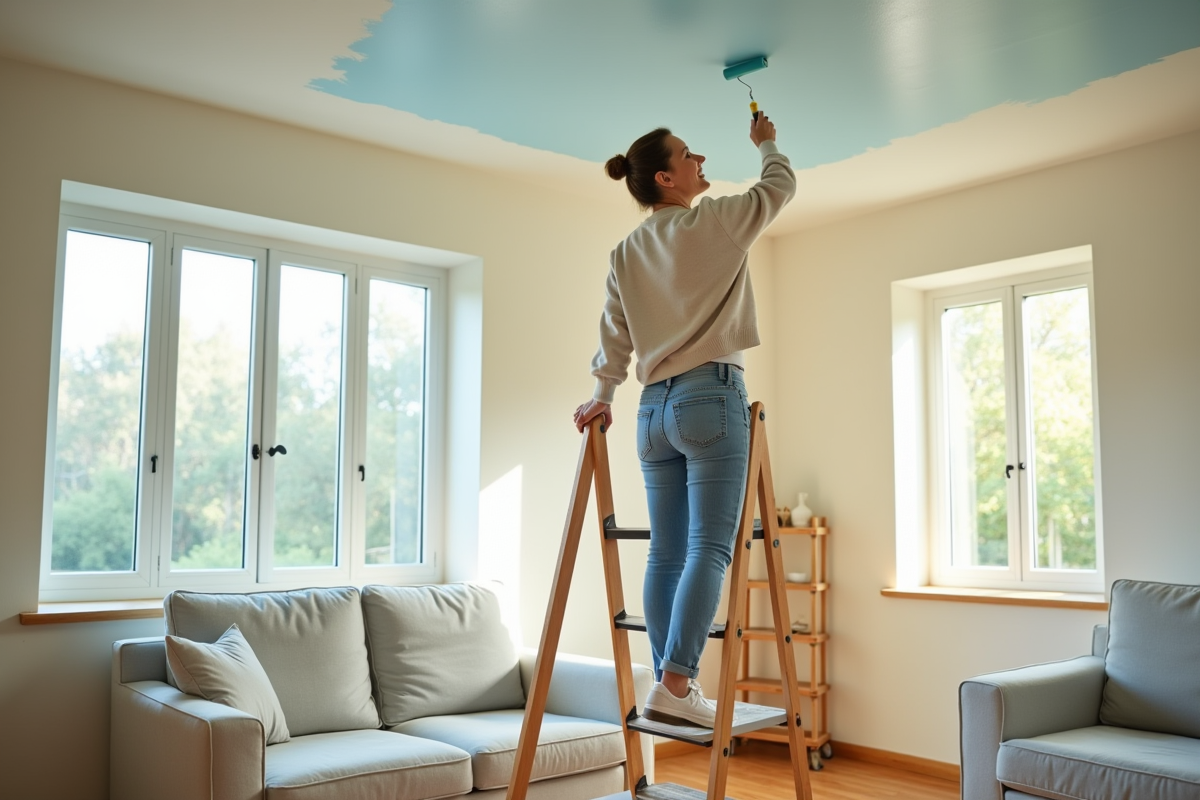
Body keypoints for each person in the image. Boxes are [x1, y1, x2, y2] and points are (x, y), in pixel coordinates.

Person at [573, 113, 796, 727]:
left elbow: (615, 331)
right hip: (709, 398)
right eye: (688, 154)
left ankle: (665, 685)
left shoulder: (626, 251)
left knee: (666, 554)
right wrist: (767, 142)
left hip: (652, 412)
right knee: (709, 548)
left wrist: (603, 393)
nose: (700, 160)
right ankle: (677, 682)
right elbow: (779, 187)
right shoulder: (714, 221)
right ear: (666, 178)